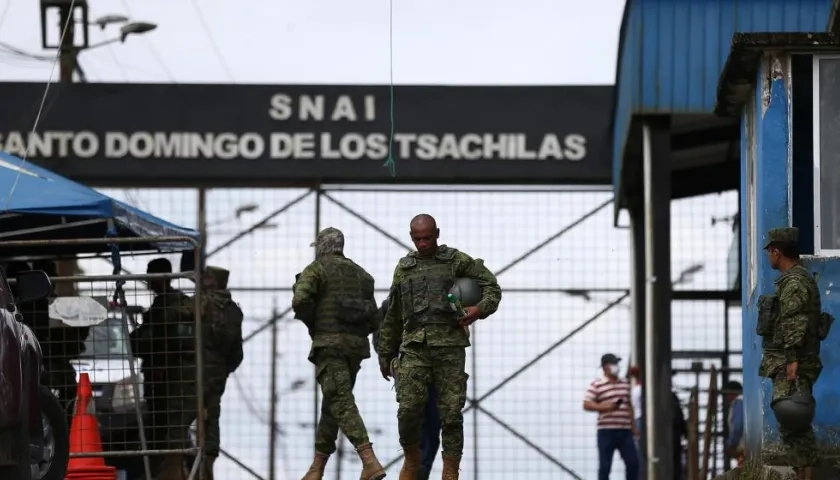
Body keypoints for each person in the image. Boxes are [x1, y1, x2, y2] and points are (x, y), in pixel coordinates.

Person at [377, 214, 502, 480]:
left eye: (428, 238)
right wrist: (385, 353)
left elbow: (491, 286)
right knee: (407, 409)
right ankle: (411, 458)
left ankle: (450, 470)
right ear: (411, 238)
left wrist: (479, 309)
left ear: (437, 233)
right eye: (418, 239)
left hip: (450, 347)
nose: (423, 243)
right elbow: (393, 313)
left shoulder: (456, 260)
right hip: (415, 348)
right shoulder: (404, 269)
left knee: (451, 414)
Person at [293, 227, 386, 480]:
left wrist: (313, 322)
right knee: (333, 403)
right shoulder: (363, 276)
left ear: (322, 246)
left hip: (329, 346)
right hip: (355, 349)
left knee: (341, 402)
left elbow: (300, 301)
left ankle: (369, 460)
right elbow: (374, 317)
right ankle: (317, 468)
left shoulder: (317, 269)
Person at [759, 227, 822, 480]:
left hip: (794, 362)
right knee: (793, 421)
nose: (768, 257)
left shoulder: (794, 282)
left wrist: (793, 358)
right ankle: (802, 472)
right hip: (792, 360)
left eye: (769, 252)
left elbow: (795, 321)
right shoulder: (795, 279)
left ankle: (804, 473)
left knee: (793, 418)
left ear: (776, 252)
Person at [129, 258, 195, 480]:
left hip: (168, 379)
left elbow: (167, 341)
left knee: (167, 428)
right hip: (165, 378)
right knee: (165, 427)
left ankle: (169, 472)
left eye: (151, 276)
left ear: (162, 277)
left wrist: (160, 362)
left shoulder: (170, 307)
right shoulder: (168, 305)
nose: (148, 281)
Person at [373, 298, 442, 480]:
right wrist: (387, 358)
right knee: (414, 416)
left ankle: (421, 467)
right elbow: (381, 334)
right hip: (408, 365)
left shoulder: (441, 297)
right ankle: (416, 465)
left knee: (433, 419)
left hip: (436, 365)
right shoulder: (393, 302)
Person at [194, 265, 244, 480]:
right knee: (211, 420)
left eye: (206, 278)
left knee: (182, 416)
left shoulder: (201, 303)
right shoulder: (234, 311)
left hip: (193, 370)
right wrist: (223, 370)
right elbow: (237, 354)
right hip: (218, 374)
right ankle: (208, 468)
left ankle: (178, 466)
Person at [583, 353, 639, 480]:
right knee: (605, 466)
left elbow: (629, 405)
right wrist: (606, 407)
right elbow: (586, 404)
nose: (616, 366)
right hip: (606, 431)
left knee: (633, 463)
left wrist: (633, 427)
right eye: (613, 363)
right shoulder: (597, 385)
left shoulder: (625, 383)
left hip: (625, 431)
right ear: (604, 367)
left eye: (616, 363)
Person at [723, 380, 744, 469]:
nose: (727, 397)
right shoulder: (745, 402)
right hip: (748, 444)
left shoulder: (738, 403)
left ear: (731, 393)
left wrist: (731, 443)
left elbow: (737, 427)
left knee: (744, 470)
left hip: (743, 446)